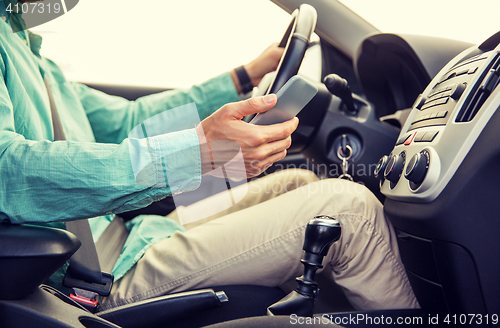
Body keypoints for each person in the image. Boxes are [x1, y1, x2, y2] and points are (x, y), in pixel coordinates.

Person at [0, 0, 419, 312]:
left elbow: (124, 120)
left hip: (124, 236)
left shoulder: (23, 42)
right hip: (89, 274)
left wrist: (245, 76)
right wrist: (197, 153)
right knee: (351, 211)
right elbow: (8, 169)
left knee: (299, 181)